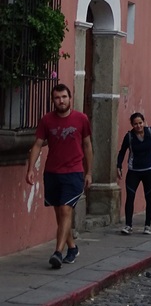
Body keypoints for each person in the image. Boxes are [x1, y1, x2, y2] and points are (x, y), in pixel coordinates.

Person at [26, 84, 93, 269]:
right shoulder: (46, 120)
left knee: (65, 211)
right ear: (53, 100)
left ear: (70, 98)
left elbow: (87, 145)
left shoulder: (81, 119)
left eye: (64, 97)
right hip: (52, 173)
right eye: (57, 97)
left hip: (73, 172)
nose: (61, 101)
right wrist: (31, 168)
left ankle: (57, 252)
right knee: (60, 214)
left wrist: (89, 172)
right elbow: (38, 144)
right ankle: (72, 247)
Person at [116, 112, 151, 235]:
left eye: (140, 123)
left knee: (149, 197)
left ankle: (147, 225)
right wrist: (119, 166)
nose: (138, 126)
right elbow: (122, 152)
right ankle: (128, 225)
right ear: (132, 124)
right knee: (130, 198)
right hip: (134, 171)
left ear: (144, 122)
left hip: (149, 170)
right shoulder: (129, 137)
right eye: (135, 124)